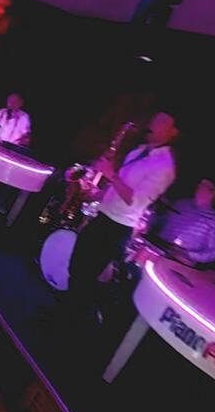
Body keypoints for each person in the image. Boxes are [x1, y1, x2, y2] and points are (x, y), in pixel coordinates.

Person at [66, 111, 179, 322]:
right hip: (104, 215)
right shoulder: (140, 150)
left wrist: (110, 173)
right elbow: (119, 187)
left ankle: (73, 320)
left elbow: (134, 200)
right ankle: (65, 312)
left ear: (173, 132)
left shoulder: (165, 166)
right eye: (154, 119)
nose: (153, 123)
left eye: (161, 122)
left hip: (118, 226)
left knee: (86, 275)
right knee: (76, 267)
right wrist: (97, 192)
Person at [150, 178, 215, 266]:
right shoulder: (180, 204)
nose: (199, 187)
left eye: (204, 186)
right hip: (157, 248)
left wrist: (186, 253)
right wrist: (152, 215)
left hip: (180, 262)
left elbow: (211, 254)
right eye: (200, 184)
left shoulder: (214, 222)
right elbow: (158, 222)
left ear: (213, 193)